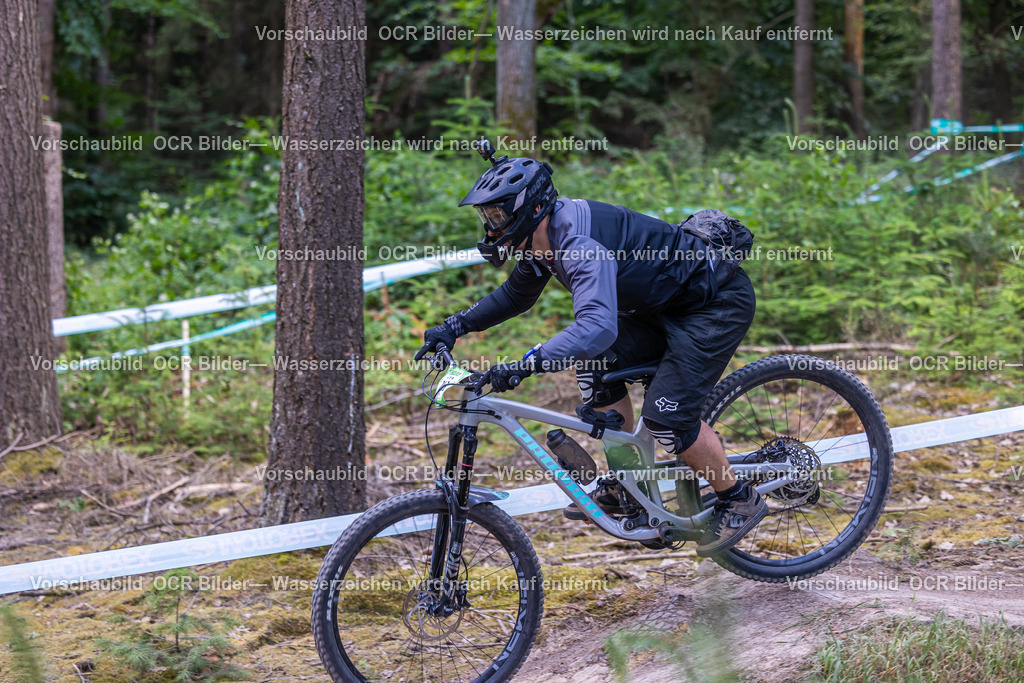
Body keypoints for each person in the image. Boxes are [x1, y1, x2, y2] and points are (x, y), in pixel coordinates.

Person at [415, 150, 766, 557]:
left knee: (667, 418)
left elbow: (597, 326)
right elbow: (515, 295)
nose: (491, 227)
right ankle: (632, 487)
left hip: (713, 304)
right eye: (486, 217)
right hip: (661, 306)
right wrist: (454, 326)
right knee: (596, 369)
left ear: (532, 210)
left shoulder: (578, 244)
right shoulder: (542, 239)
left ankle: (738, 498)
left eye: (496, 216)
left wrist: (528, 364)